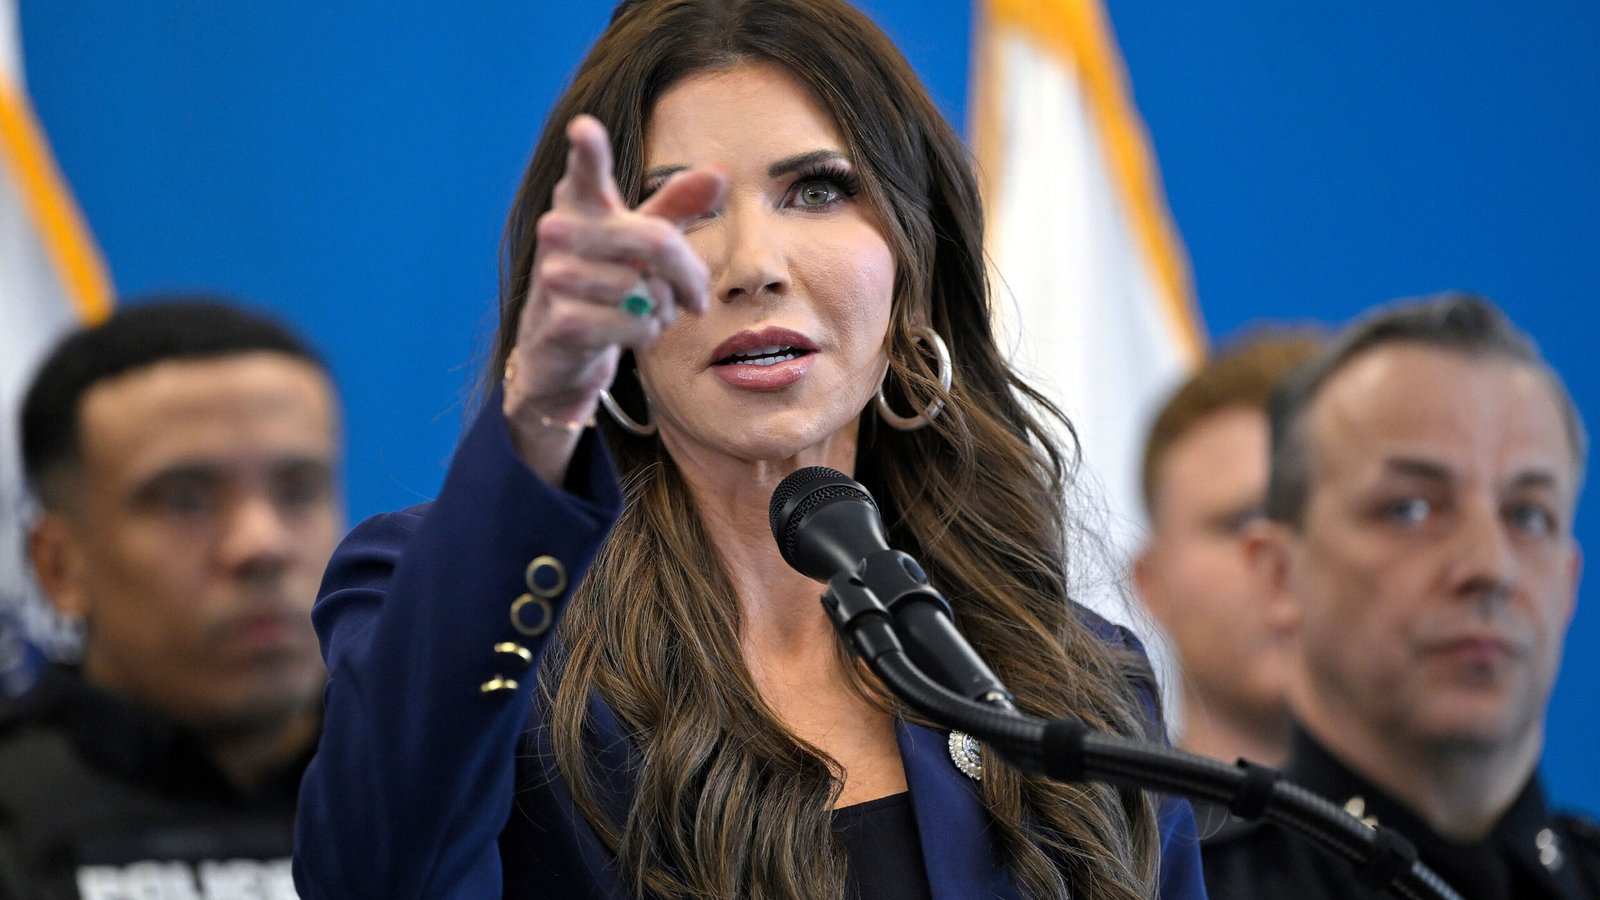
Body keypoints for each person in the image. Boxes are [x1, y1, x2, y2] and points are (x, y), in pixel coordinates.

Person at [293, 2, 1206, 898]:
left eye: (817, 190)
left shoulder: (1081, 678)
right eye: (678, 210)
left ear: (914, 276)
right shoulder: (459, 606)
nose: (751, 264)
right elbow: (378, 874)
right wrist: (538, 417)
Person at [1202, 294, 1600, 899]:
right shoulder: (1176, 886)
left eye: (1528, 515)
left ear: (1569, 583)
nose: (1490, 568)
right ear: (1278, 573)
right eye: (1411, 509)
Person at [0, 299, 342, 899]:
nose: (261, 545)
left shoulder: (458, 791)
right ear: (59, 565)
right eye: (185, 499)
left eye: (298, 491)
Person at [1134, 332, 1320, 768]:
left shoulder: (1486, 828)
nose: (1287, 561)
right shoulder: (1074, 836)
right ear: (1150, 581)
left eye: (1317, 519)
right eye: (1245, 523)